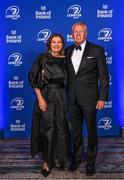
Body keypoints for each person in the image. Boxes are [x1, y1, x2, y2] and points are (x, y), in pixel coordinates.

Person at [66, 22, 109, 176]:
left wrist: (103, 97)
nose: (77, 34)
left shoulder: (97, 50)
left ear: (86, 33)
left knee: (91, 132)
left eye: (80, 32)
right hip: (72, 98)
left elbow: (104, 77)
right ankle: (76, 159)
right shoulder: (68, 50)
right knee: (75, 132)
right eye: (75, 32)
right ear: (72, 34)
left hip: (90, 99)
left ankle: (91, 163)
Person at [29, 33, 69, 177]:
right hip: (45, 95)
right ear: (49, 44)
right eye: (54, 42)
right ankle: (46, 162)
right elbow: (33, 79)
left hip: (61, 97)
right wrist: (40, 98)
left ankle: (58, 158)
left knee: (60, 129)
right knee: (47, 129)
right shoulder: (42, 58)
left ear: (63, 45)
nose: (56, 45)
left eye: (59, 42)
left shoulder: (66, 60)